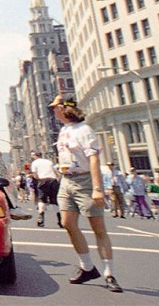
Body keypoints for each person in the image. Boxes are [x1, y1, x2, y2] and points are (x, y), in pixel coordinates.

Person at [51, 95, 122, 293]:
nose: (53, 110)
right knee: (67, 223)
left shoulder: (84, 130)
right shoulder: (64, 130)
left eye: (56, 107)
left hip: (85, 181)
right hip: (67, 180)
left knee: (98, 228)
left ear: (66, 109)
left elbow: (93, 159)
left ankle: (109, 273)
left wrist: (97, 188)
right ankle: (87, 267)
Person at [30, 150, 59, 228]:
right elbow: (56, 172)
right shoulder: (48, 161)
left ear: (35, 155)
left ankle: (41, 218)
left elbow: (35, 174)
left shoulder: (34, 163)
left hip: (43, 180)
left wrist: (39, 180)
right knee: (54, 200)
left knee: (42, 199)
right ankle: (60, 219)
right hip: (53, 180)